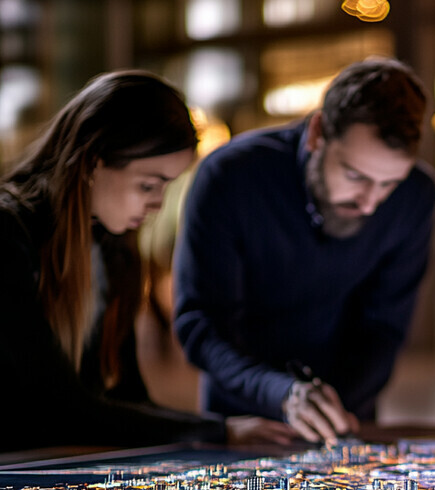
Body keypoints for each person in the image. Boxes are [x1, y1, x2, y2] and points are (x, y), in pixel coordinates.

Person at [0, 70, 293, 452]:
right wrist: (214, 432)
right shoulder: (8, 235)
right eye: (148, 185)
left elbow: (126, 398)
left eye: (166, 187)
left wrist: (217, 431)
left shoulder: (112, 247)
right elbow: (58, 407)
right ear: (91, 163)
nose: (157, 204)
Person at [173, 58, 435, 445]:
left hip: (344, 417)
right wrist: (283, 393)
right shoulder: (232, 176)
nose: (369, 202)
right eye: (355, 176)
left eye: (388, 184)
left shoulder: (415, 196)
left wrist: (331, 406)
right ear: (317, 134)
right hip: (242, 418)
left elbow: (383, 328)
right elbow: (201, 326)